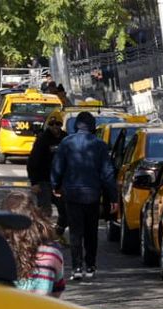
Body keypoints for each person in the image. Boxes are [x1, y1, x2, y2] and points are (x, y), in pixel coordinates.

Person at [52, 111, 117, 281]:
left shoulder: (66, 143)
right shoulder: (100, 145)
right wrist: (113, 197)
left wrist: (55, 185)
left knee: (75, 232)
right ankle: (90, 265)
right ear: (93, 126)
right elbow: (108, 173)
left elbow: (58, 167)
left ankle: (76, 267)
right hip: (93, 194)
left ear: (76, 125)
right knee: (91, 232)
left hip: (72, 193)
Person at [26, 114, 65, 215]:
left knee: (65, 209)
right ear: (48, 125)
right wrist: (34, 182)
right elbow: (33, 161)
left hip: (62, 182)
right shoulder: (42, 139)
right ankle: (43, 230)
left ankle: (59, 228)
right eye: (51, 124)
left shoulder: (66, 138)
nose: (55, 126)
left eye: (58, 124)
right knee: (45, 211)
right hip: (44, 181)